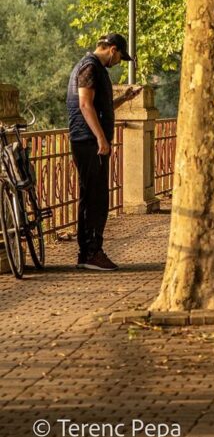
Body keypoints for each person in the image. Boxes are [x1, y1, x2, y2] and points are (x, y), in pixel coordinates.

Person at [66, 33, 140, 271]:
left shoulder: (93, 68)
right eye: (120, 57)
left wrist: (124, 97)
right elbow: (85, 105)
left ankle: (87, 252)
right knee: (95, 199)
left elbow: (99, 106)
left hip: (88, 140)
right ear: (112, 49)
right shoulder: (90, 67)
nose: (119, 62)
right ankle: (91, 253)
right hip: (88, 141)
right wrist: (101, 138)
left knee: (93, 196)